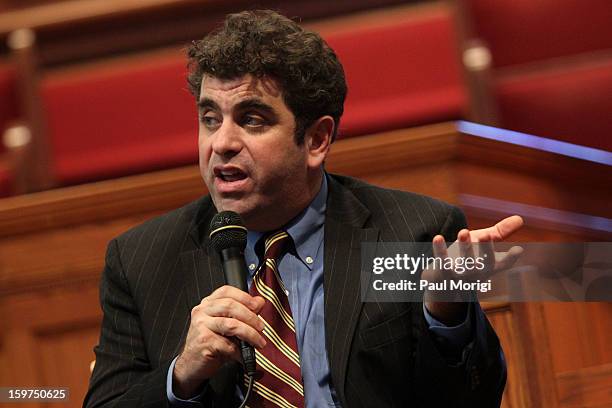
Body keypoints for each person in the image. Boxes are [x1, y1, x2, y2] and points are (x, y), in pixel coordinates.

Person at [84, 10, 523, 407]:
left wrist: (446, 316)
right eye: (210, 118)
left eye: (252, 119)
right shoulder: (141, 261)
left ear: (316, 140)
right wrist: (181, 376)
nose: (221, 143)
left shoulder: (410, 234)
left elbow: (471, 402)